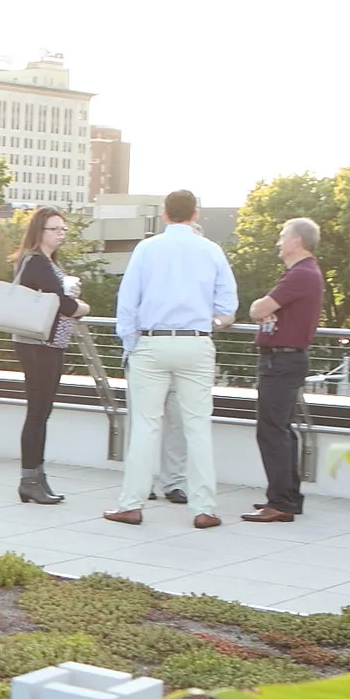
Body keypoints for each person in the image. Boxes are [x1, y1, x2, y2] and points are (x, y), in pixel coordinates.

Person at [107, 189, 237, 527]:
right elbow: (227, 307)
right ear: (195, 215)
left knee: (145, 427)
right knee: (197, 427)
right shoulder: (212, 251)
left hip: (152, 343)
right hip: (196, 343)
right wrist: (210, 322)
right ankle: (204, 508)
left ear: (164, 214)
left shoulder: (147, 249)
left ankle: (132, 504)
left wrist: (131, 343)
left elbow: (127, 302)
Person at [244, 217, 327, 523]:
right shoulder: (304, 273)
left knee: (272, 431)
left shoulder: (300, 275)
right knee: (282, 430)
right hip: (285, 360)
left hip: (281, 361)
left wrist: (259, 307)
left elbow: (259, 309)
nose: (278, 242)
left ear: (296, 242)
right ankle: (287, 497)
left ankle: (280, 502)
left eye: (282, 236)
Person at [6, 209, 86, 504]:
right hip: (37, 345)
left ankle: (36, 476)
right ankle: (29, 479)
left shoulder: (48, 263)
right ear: (39, 231)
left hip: (50, 344)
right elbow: (64, 304)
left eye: (63, 229)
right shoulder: (36, 262)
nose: (60, 234)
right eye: (54, 229)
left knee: (43, 412)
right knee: (37, 412)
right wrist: (83, 307)